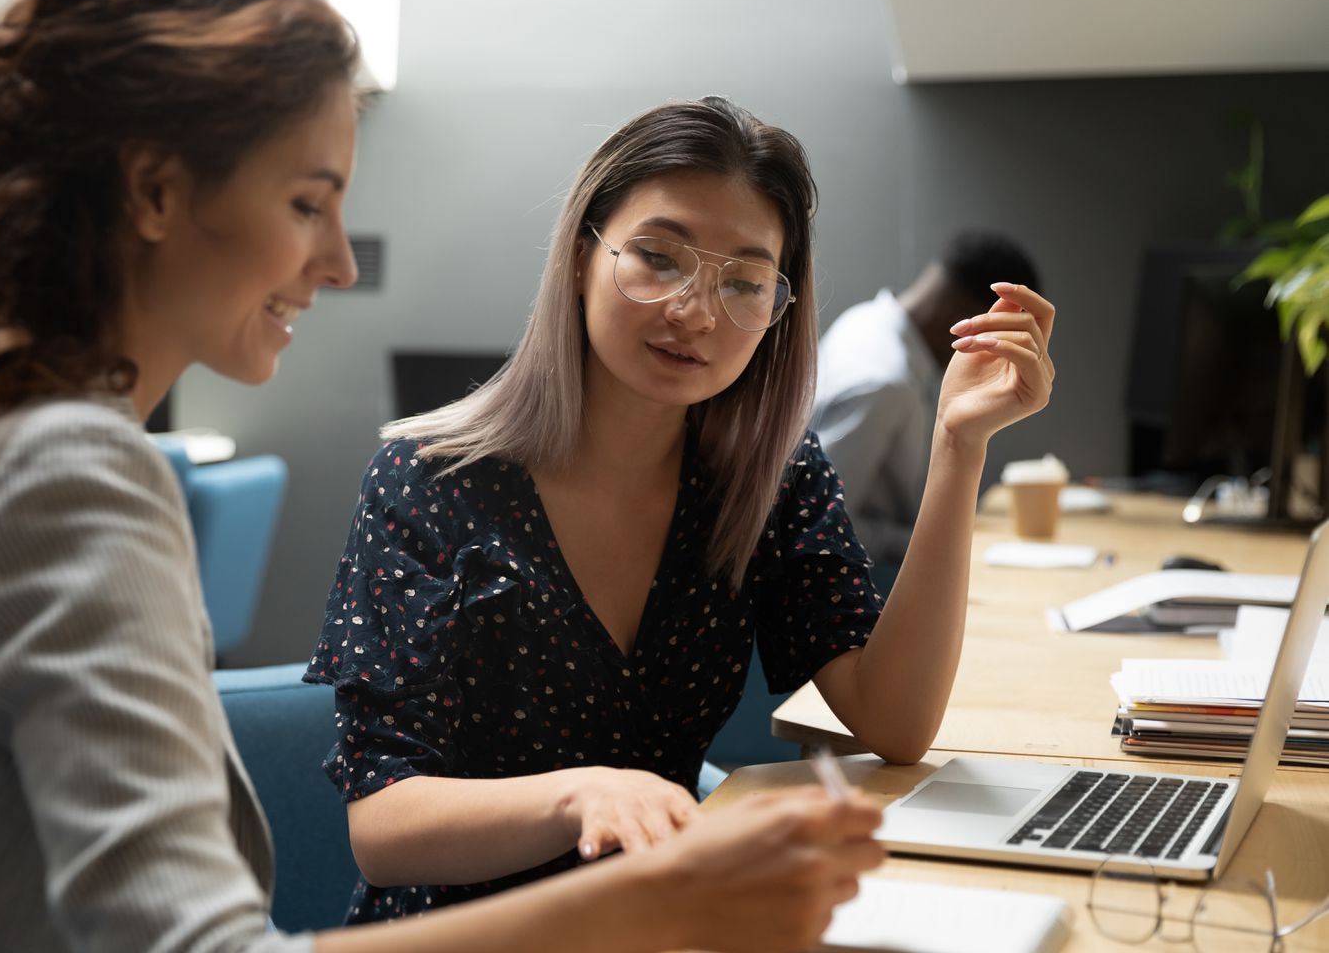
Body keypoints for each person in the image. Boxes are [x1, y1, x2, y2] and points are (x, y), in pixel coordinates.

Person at [0, 0, 883, 951]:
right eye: (306, 202)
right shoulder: (66, 476)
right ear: (153, 193)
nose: (337, 261)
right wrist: (664, 890)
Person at [309, 97, 1057, 924]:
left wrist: (959, 447)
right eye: (659, 259)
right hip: (463, 937)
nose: (695, 312)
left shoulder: (767, 480)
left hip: (663, 926)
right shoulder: (429, 480)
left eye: (743, 281)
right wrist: (584, 795)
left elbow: (895, 721)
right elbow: (382, 826)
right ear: (581, 256)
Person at [811, 230, 1043, 564]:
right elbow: (822, 523)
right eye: (998, 339)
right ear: (965, 320)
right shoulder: (882, 382)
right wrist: (944, 544)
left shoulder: (865, 320)